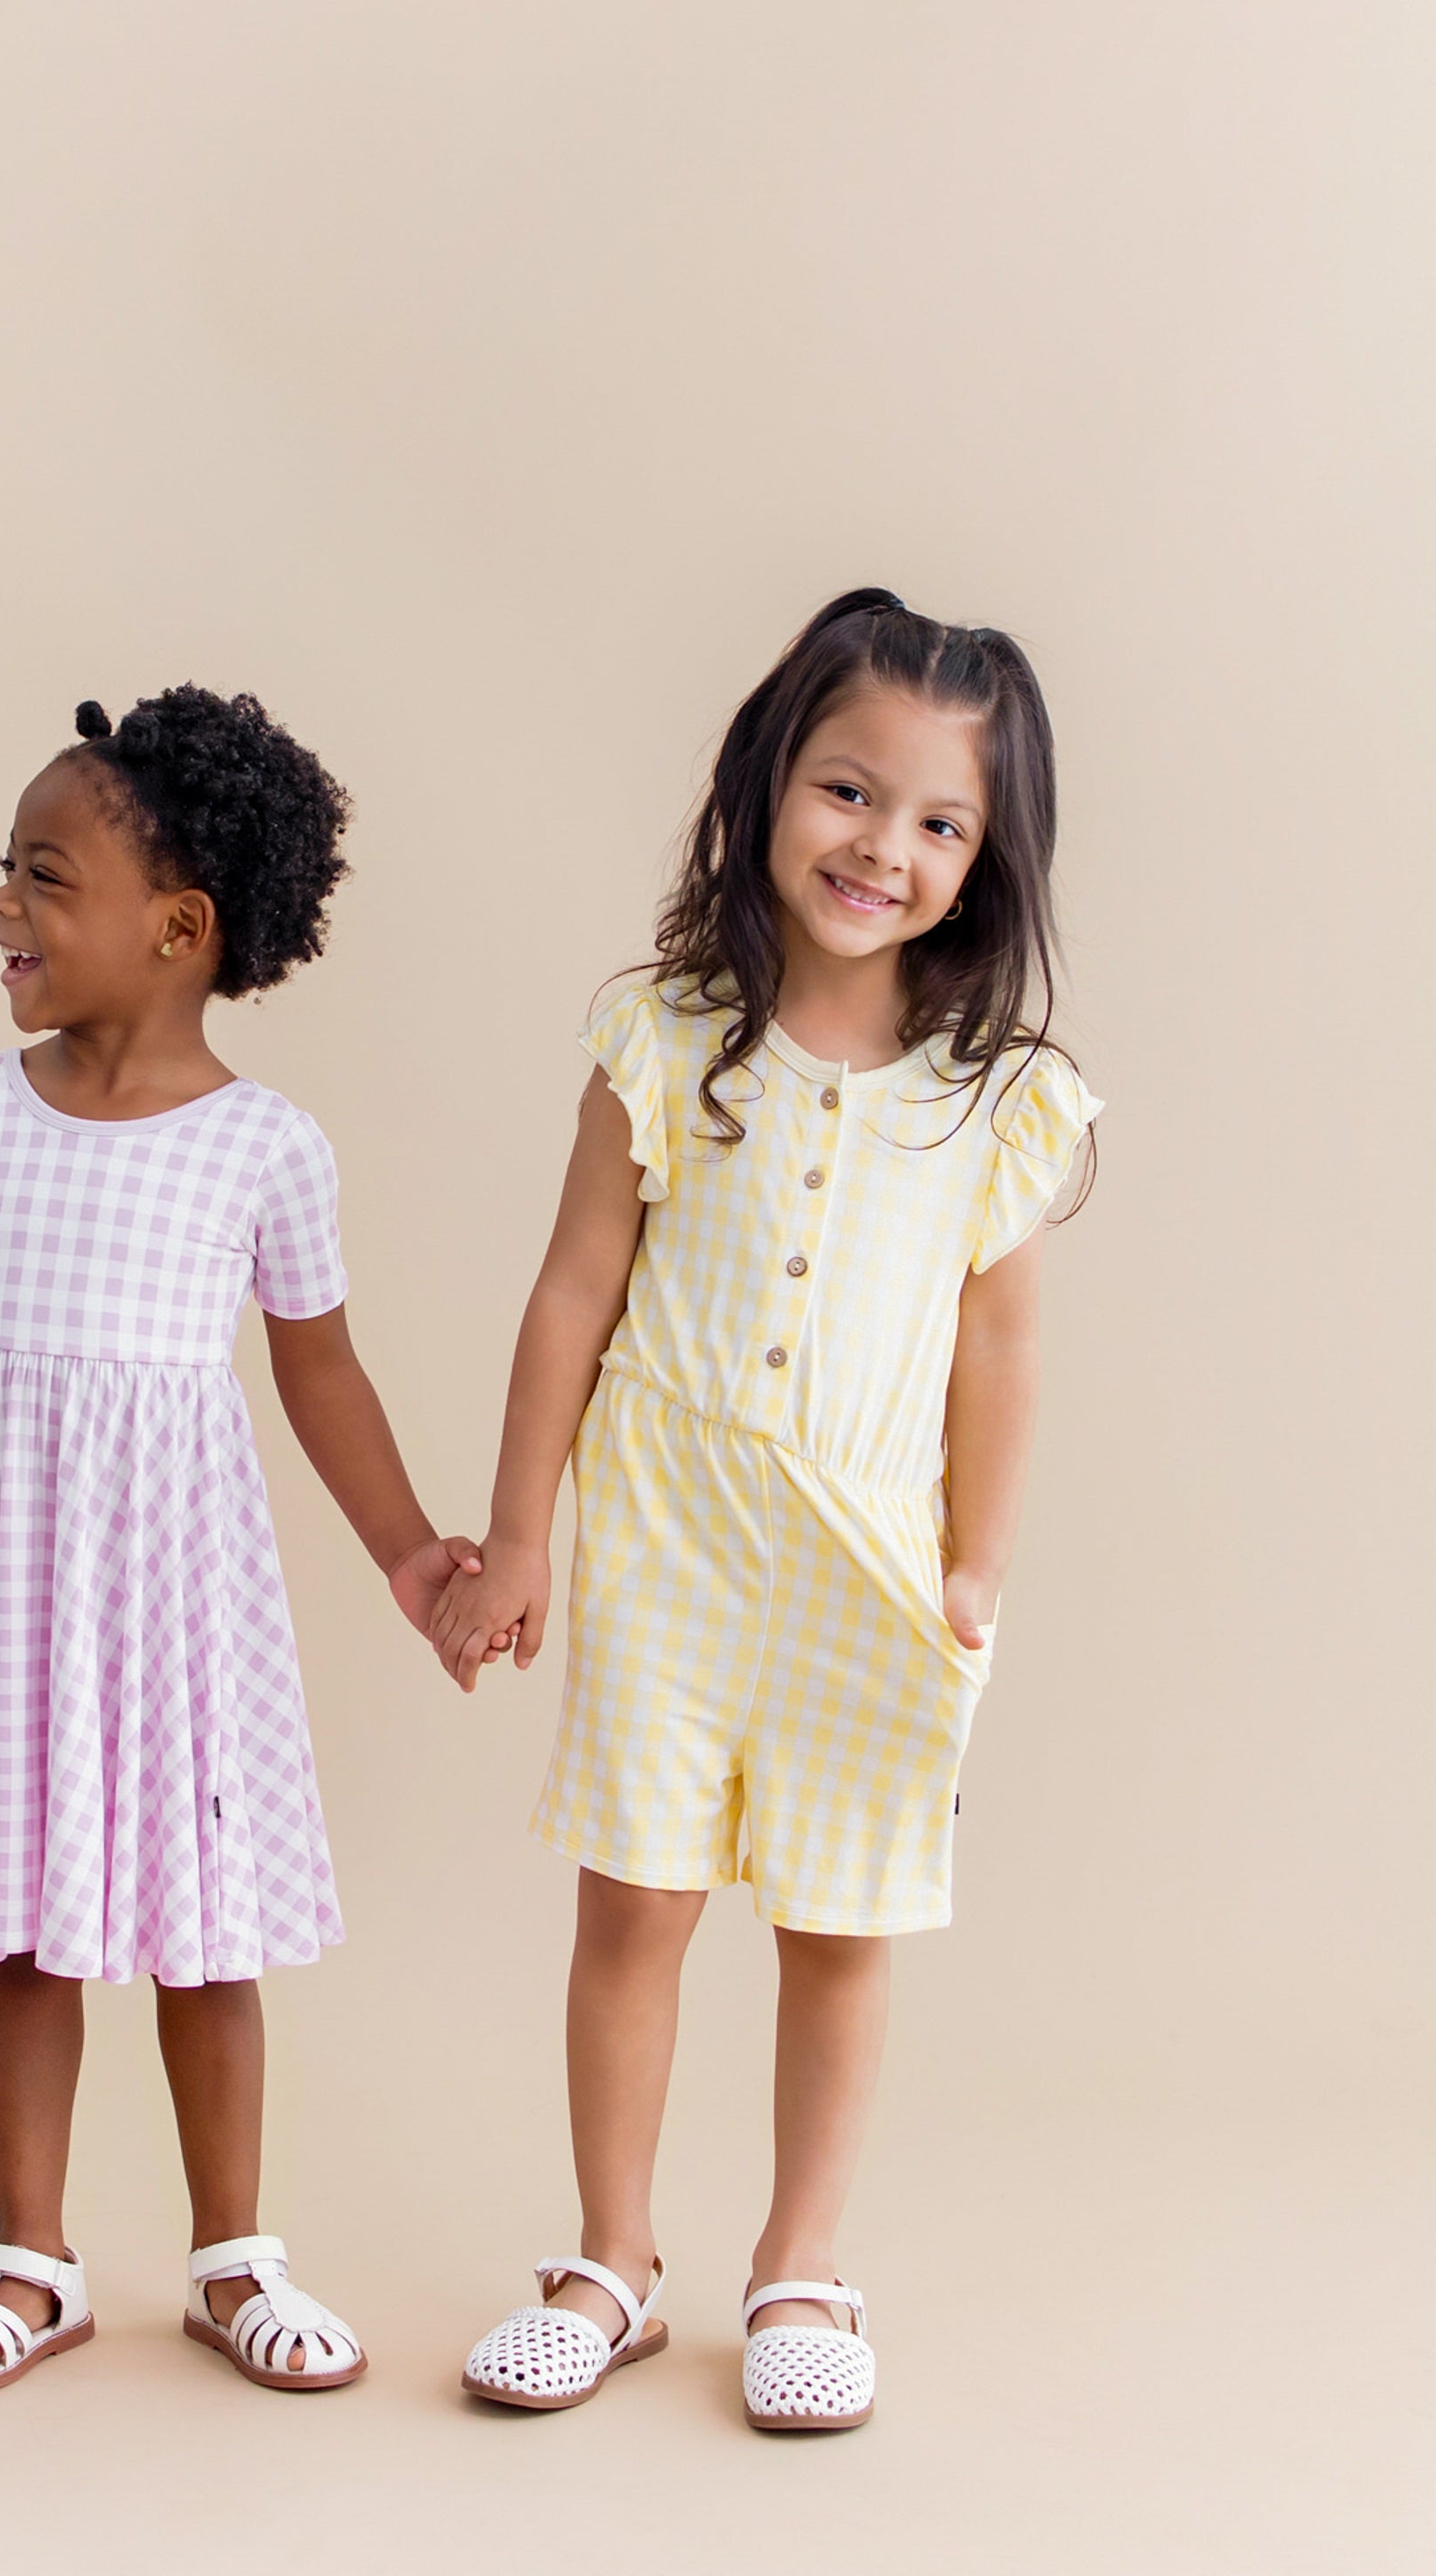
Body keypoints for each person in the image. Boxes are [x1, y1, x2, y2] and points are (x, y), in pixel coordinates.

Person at [0, 689, 476, 2397]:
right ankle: (30, 2262)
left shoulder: (264, 1148)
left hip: (178, 1604)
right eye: (6, 870)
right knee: (26, 1923)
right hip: (11, 1595)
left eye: (44, 877)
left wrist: (413, 1552)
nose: (3, 905)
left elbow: (322, 1372)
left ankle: (233, 2257)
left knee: (202, 1934)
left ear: (179, 927)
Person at [433, 591, 1098, 2431]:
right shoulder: (663, 1040)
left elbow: (1001, 1354)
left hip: (865, 1558)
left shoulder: (997, 1108)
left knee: (839, 1922)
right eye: (848, 792)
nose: (884, 847)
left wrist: (974, 1569)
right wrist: (518, 1536)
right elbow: (570, 1295)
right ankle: (612, 2259)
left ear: (987, 856)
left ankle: (800, 2264)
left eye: (940, 822)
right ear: (766, 787)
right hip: (663, 1530)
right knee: (634, 1905)